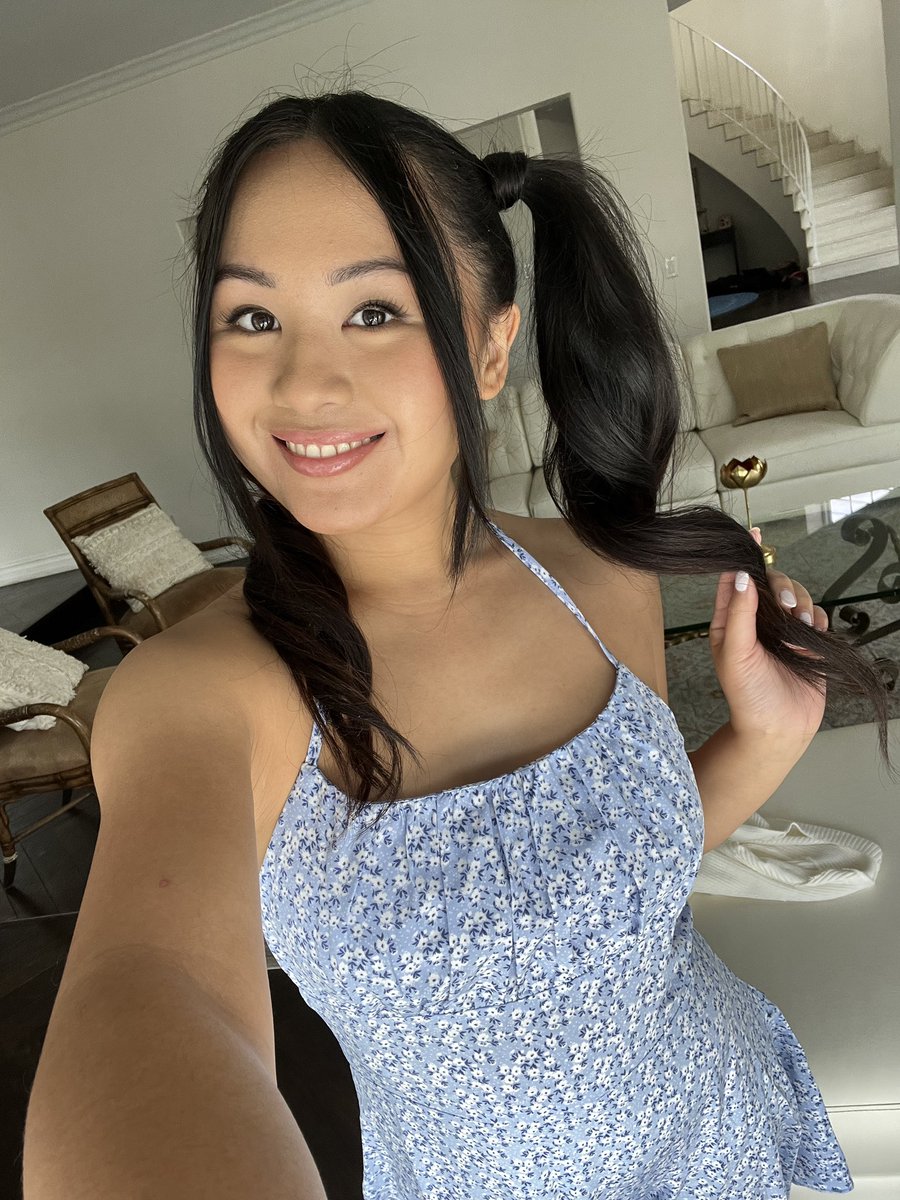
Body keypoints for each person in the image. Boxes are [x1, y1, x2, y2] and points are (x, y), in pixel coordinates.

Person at [24, 87, 894, 1200]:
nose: (302, 381)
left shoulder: (601, 573)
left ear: (491, 348)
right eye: (252, 318)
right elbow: (153, 985)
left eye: (375, 309)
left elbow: (609, 893)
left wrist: (763, 740)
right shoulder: (201, 692)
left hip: (720, 1128)